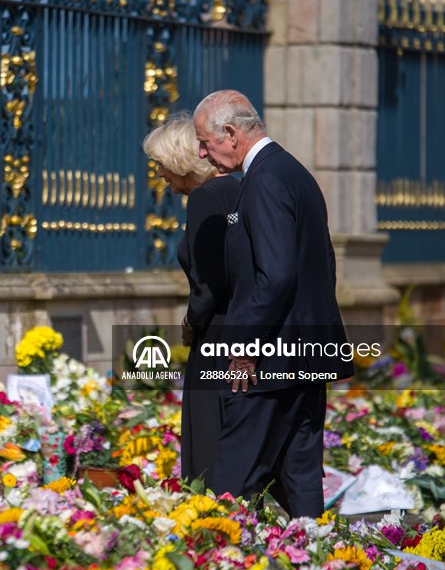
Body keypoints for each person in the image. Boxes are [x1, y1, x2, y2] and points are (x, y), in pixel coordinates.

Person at [194, 90, 352, 518]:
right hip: (308, 350)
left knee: (232, 481)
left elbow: (277, 274)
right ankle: (317, 567)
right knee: (300, 475)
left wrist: (245, 346)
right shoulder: (293, 171)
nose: (202, 153)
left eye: (205, 142)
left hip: (272, 359)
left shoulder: (263, 179)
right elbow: (320, 262)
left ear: (230, 133)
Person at [142, 111, 239, 487]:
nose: (161, 175)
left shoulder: (204, 198)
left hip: (214, 335)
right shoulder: (237, 187)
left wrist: (191, 322)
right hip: (246, 334)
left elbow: (209, 280)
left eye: (162, 165)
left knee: (206, 442)